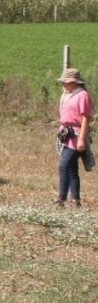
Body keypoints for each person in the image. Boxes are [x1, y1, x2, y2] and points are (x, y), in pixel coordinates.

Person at [55, 68, 94, 207]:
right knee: (71, 168)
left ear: (73, 82)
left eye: (65, 81)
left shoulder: (82, 95)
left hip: (77, 136)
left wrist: (82, 139)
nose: (63, 84)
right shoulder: (67, 94)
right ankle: (76, 200)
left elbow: (85, 119)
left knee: (63, 166)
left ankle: (61, 200)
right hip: (67, 135)